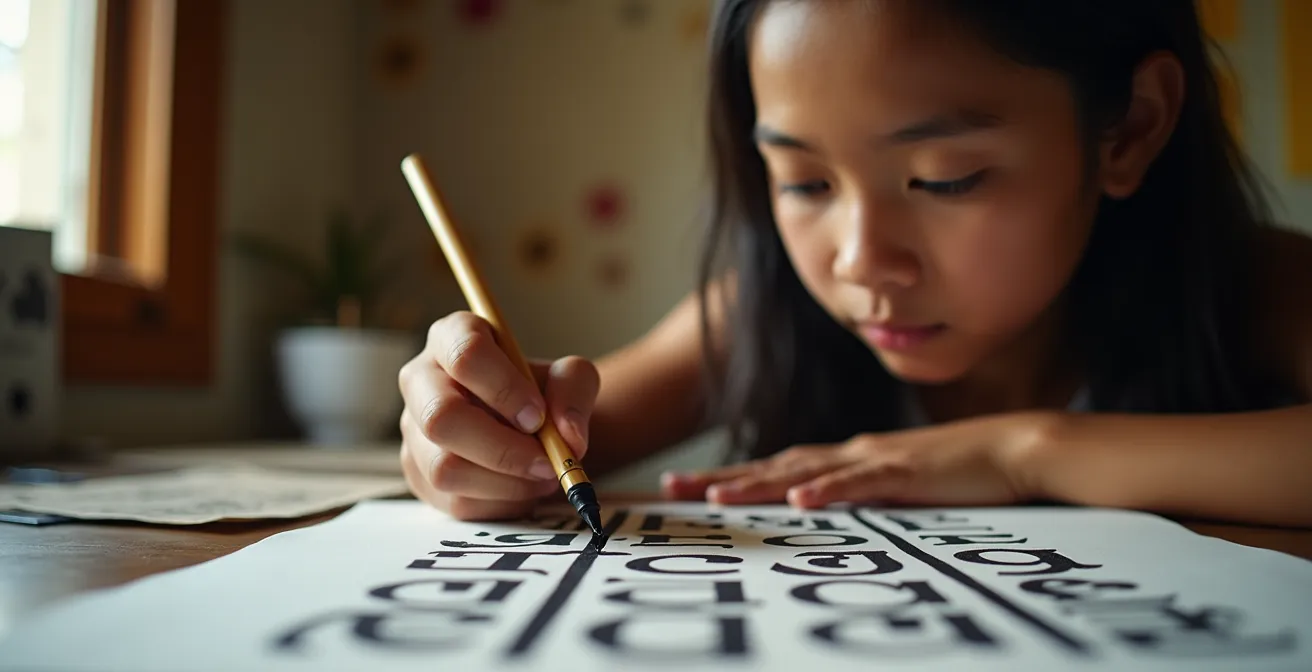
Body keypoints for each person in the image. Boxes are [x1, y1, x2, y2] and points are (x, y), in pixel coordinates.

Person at [396, 0, 1312, 528]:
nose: (861, 262)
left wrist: (1023, 453)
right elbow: (535, 453)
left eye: (944, 178)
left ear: (1130, 127)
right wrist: (471, 437)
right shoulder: (762, 312)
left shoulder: (1248, 286)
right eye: (804, 183)